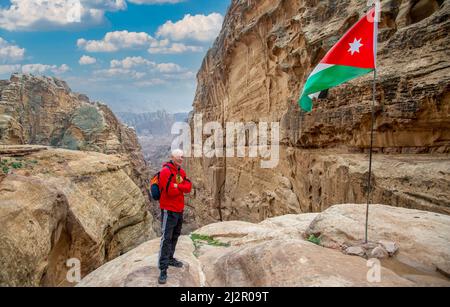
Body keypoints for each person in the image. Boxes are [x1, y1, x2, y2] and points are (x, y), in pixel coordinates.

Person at [157, 149, 192, 284]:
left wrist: (178, 185)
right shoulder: (166, 171)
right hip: (169, 210)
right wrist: (180, 186)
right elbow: (170, 191)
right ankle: (163, 269)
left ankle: (170, 258)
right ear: (172, 157)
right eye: (178, 157)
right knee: (166, 238)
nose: (181, 159)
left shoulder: (180, 172)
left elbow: (188, 187)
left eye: (182, 157)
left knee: (175, 236)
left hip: (179, 209)